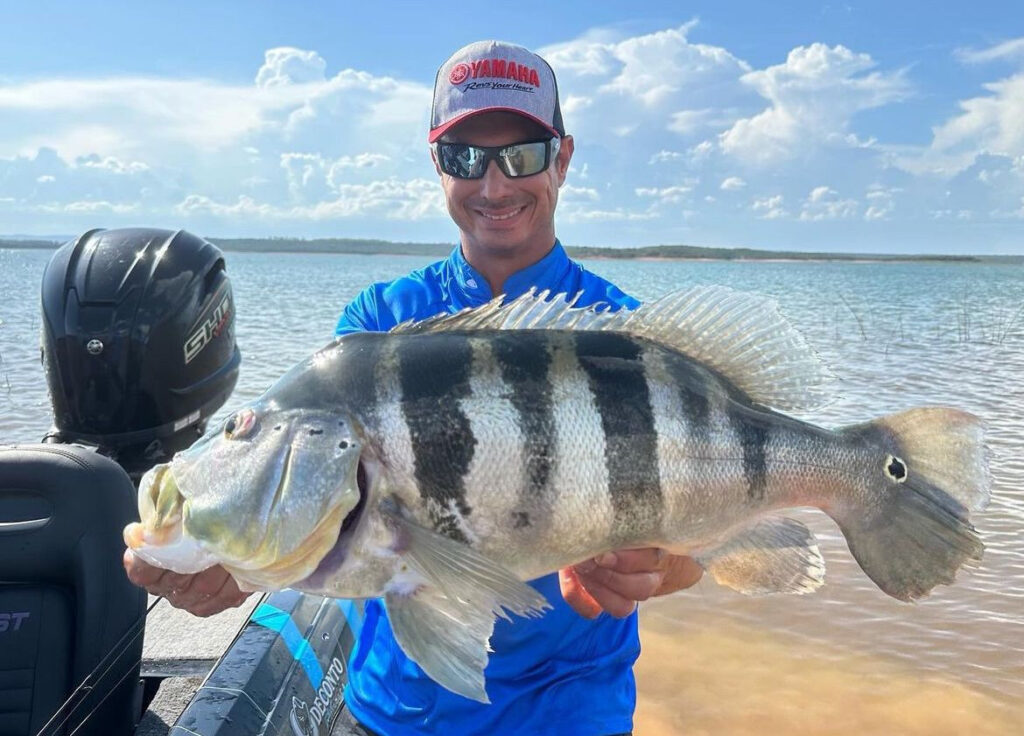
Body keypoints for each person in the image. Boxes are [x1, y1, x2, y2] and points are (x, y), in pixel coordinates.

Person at [124, 40, 703, 734]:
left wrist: (660, 567)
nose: (494, 186)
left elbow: (702, 543)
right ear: (437, 165)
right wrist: (236, 567)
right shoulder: (375, 327)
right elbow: (343, 525)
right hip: (399, 713)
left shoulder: (619, 339)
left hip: (572, 714)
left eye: (521, 154)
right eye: (465, 157)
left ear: (564, 158)